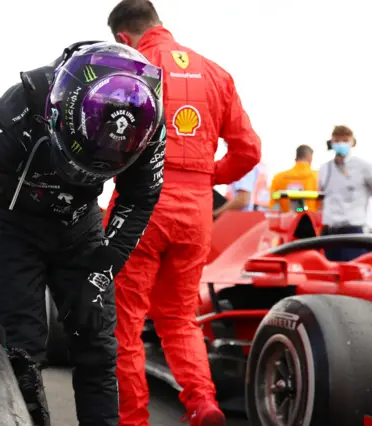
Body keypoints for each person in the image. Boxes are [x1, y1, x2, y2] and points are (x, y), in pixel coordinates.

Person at [0, 41, 166, 426]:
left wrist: (99, 273)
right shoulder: (16, 111)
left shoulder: (147, 124)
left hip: (80, 227)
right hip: (13, 229)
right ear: (58, 113)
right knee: (18, 351)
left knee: (96, 343)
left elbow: (140, 200)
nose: (81, 176)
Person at [105, 1, 261, 425]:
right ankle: (202, 402)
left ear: (123, 38)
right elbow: (250, 151)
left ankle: (133, 419)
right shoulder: (216, 73)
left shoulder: (130, 69)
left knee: (126, 324)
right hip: (195, 213)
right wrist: (207, 174)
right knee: (179, 318)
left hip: (142, 208)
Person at [319, 125, 372, 261]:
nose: (340, 144)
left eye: (344, 140)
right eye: (337, 141)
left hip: (353, 231)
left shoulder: (363, 167)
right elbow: (321, 197)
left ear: (352, 142)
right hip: (330, 232)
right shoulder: (325, 169)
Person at [269, 144, 319, 212]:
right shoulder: (317, 177)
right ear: (310, 157)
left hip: (286, 220)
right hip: (310, 219)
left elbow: (271, 202)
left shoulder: (279, 177)